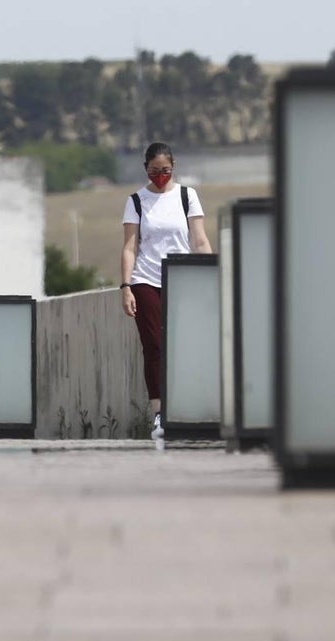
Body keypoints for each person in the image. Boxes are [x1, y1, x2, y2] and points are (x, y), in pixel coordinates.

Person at [120, 142, 213, 440]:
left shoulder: (187, 196)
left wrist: (210, 274)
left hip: (182, 277)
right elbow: (130, 246)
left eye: (165, 171)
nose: (160, 176)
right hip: (146, 279)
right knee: (155, 345)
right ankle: (160, 414)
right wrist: (126, 286)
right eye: (154, 171)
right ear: (145, 168)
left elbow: (199, 240)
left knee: (185, 345)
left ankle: (190, 408)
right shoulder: (136, 201)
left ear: (173, 167)